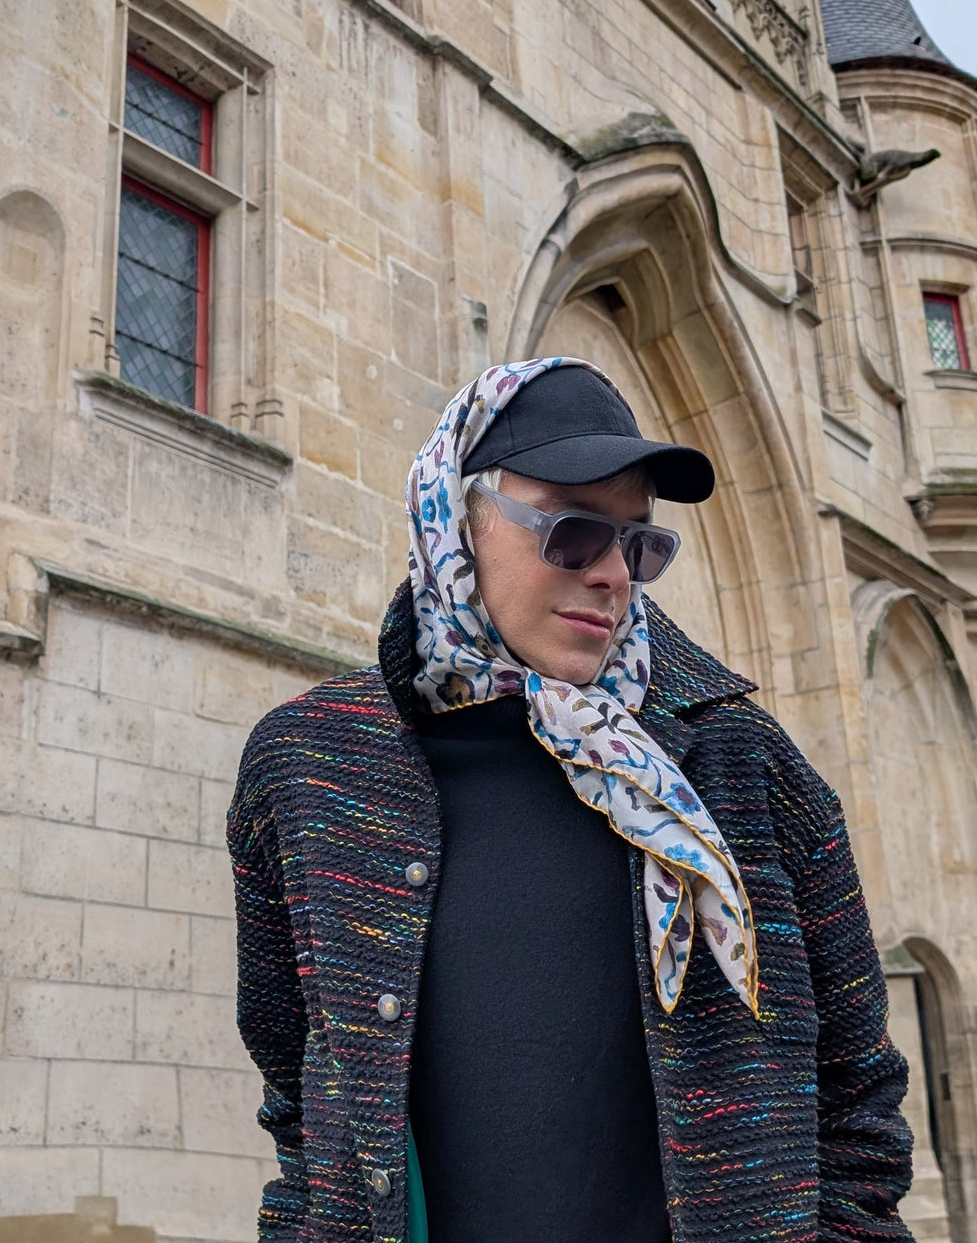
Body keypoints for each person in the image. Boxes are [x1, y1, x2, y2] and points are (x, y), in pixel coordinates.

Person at [228, 357, 914, 1243]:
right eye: (573, 531)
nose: (613, 575)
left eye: (638, 542)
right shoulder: (310, 767)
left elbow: (860, 1109)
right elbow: (302, 1100)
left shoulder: (745, 768)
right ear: (456, 515)